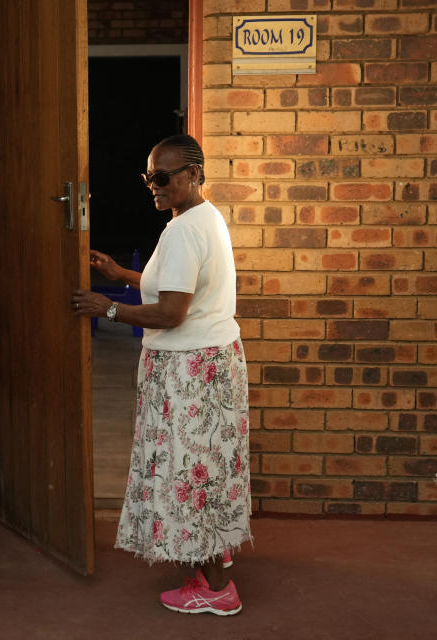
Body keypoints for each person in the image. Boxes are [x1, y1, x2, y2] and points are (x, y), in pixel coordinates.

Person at [72, 134, 251, 616]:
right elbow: (174, 284)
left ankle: (217, 589)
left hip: (193, 372)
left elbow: (171, 312)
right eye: (149, 176)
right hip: (208, 365)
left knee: (196, 477)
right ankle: (215, 558)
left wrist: (108, 309)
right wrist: (123, 276)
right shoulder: (199, 217)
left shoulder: (185, 229)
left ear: (193, 173)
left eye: (164, 175)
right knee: (206, 471)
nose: (154, 184)